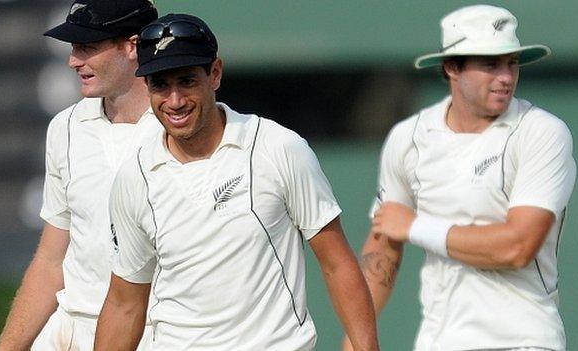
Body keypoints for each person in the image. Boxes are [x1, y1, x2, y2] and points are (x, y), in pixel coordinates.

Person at [93, 13, 380, 351]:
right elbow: (125, 303)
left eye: (186, 81)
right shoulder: (135, 177)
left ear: (214, 74)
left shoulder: (278, 148)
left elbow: (336, 263)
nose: (174, 101)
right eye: (160, 85)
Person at [344, 4, 576, 351]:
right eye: (490, 64)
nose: (506, 76)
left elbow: (518, 246)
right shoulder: (408, 138)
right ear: (452, 67)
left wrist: (416, 227)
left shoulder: (542, 133)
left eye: (511, 62)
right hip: (439, 341)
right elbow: (383, 248)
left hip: (525, 341)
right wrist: (356, 342)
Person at [0, 0, 161, 350]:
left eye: (87, 47)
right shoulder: (65, 128)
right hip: (69, 331)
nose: (73, 61)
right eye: (73, 47)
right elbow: (51, 258)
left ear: (131, 47)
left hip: (155, 334)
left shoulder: (178, 128)